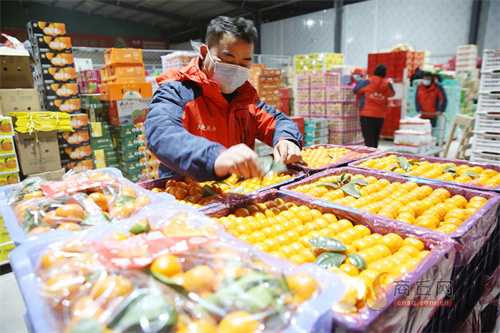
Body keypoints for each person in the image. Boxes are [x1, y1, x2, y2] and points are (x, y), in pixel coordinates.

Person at [145, 16, 302, 182]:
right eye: (227, 60)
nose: (235, 70)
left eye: (244, 64)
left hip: (237, 194)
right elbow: (161, 132)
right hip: (188, 195)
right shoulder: (178, 92)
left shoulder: (245, 98)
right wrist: (214, 157)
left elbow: (276, 120)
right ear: (205, 53)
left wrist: (287, 139)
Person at [353, 64, 395, 148]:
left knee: (368, 139)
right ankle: (375, 155)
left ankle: (370, 158)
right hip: (380, 115)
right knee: (375, 138)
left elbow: (356, 90)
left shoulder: (368, 82)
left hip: (367, 114)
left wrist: (359, 82)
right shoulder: (387, 85)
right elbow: (392, 94)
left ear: (375, 71)